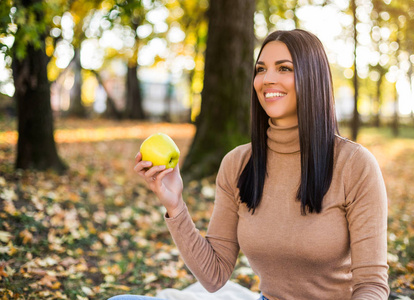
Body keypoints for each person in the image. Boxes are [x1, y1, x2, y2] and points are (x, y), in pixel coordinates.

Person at [111, 29, 389, 300]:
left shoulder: (354, 164)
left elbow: (372, 285)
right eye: (260, 69)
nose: (267, 79)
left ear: (312, 77)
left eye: (284, 68)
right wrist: (175, 206)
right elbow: (214, 275)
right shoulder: (237, 163)